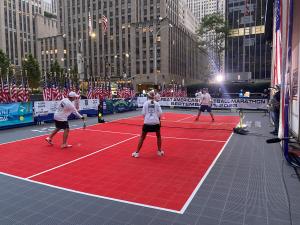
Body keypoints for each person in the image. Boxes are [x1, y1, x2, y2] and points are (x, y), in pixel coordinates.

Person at [132, 90, 164, 158]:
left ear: (148, 96)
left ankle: (137, 152)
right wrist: (155, 117)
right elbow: (160, 113)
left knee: (142, 137)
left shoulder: (145, 103)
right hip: (156, 123)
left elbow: (143, 114)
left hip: (147, 123)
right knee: (158, 136)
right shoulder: (157, 104)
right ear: (153, 96)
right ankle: (159, 151)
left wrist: (148, 117)